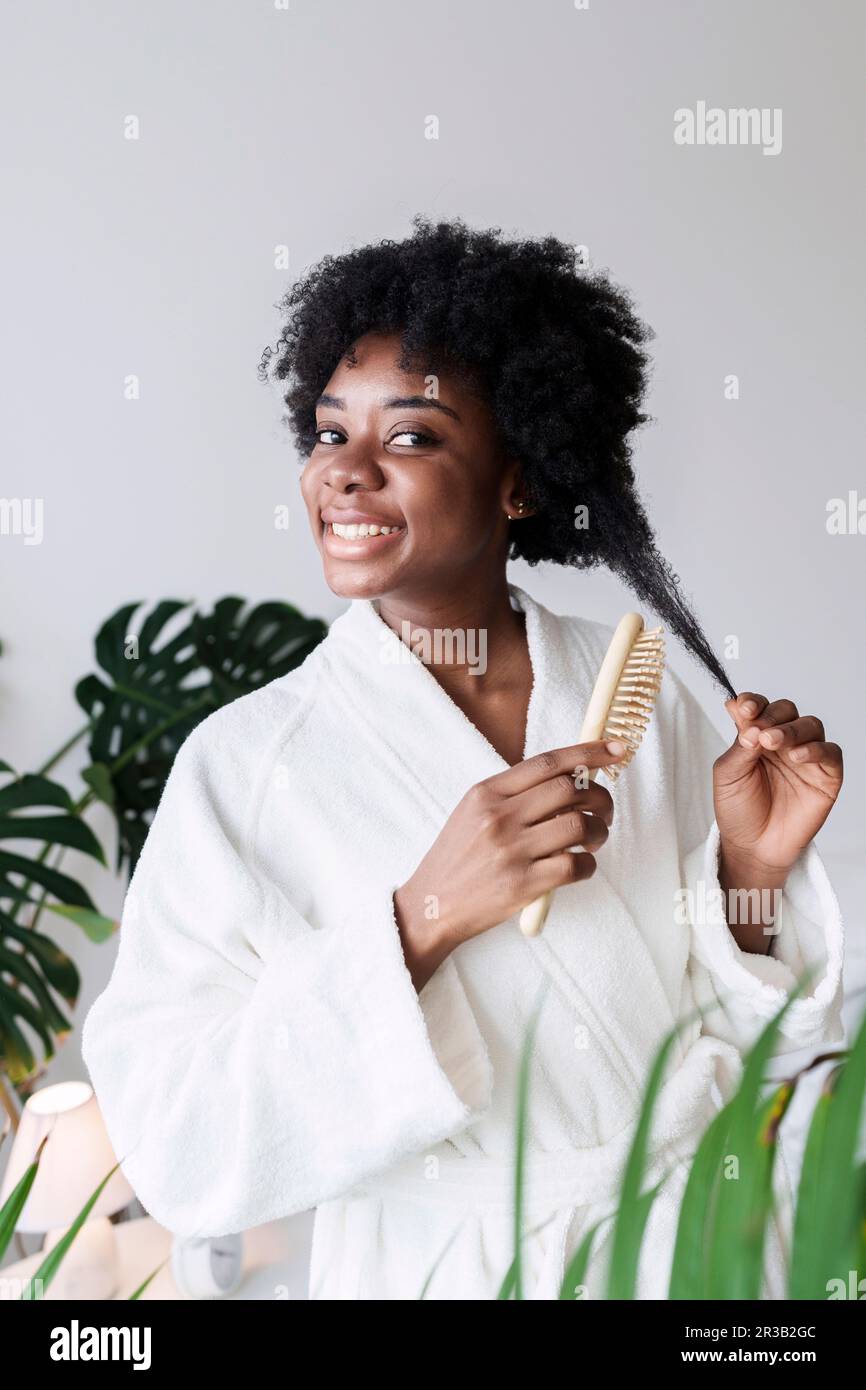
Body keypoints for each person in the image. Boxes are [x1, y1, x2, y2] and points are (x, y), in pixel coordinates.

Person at [82, 217, 844, 1300]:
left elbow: (744, 1046)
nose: (342, 475)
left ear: (518, 480)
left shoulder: (637, 692)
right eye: (326, 431)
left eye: (410, 438)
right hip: (443, 1272)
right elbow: (178, 1145)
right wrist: (421, 919)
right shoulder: (247, 765)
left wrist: (753, 878)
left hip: (690, 1258)